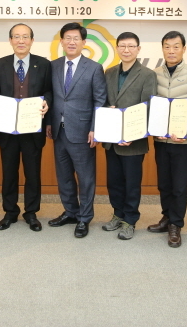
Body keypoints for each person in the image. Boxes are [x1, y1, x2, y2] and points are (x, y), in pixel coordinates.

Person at [46, 22, 107, 238]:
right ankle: (70, 211)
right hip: (59, 131)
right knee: (64, 176)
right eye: (68, 38)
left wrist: (95, 128)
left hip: (82, 131)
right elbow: (50, 96)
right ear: (61, 41)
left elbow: (100, 100)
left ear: (83, 42)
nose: (72, 42)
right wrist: (49, 123)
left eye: (76, 38)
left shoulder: (94, 68)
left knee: (85, 178)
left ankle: (84, 217)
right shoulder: (52, 66)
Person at [147, 31, 187, 248]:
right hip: (161, 140)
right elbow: (149, 105)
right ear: (162, 48)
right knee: (164, 183)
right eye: (167, 46)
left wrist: (186, 131)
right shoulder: (154, 74)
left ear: (184, 49)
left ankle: (176, 224)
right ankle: (166, 217)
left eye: (176, 46)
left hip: (183, 142)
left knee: (180, 186)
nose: (171, 51)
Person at [0, 23, 52, 232]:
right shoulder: (0, 64)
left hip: (32, 129)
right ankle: (10, 211)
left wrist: (47, 102)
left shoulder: (43, 64)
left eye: (25, 37)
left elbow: (49, 91)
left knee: (33, 173)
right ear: (10, 40)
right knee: (9, 173)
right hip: (7, 130)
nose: (21, 41)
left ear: (32, 40)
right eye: (16, 36)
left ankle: (31, 212)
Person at [101, 32, 157, 240]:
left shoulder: (147, 74)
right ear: (117, 48)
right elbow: (103, 100)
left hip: (133, 141)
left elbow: (148, 106)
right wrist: (107, 108)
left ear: (138, 49)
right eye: (122, 46)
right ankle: (118, 214)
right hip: (112, 138)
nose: (126, 50)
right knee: (114, 181)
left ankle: (130, 220)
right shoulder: (109, 72)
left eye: (131, 46)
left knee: (131, 183)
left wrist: (133, 133)